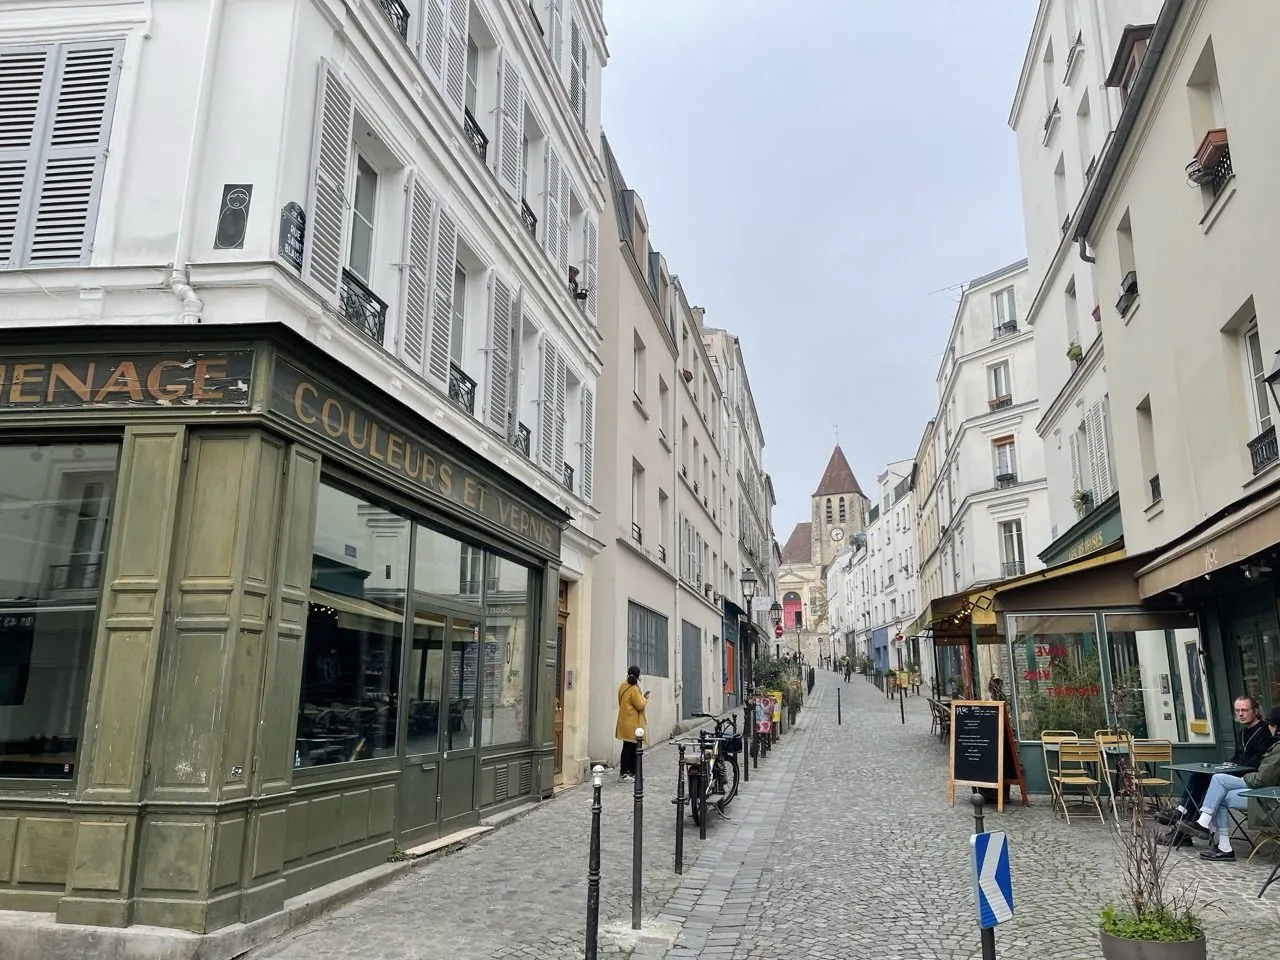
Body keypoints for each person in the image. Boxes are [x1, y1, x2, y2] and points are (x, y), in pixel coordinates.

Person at [1157, 695, 1273, 845]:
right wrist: (1228, 764)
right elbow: (1238, 756)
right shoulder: (1243, 732)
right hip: (1239, 772)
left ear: (1255, 711)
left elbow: (1257, 760)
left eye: (1244, 710)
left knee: (1212, 784)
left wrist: (1233, 767)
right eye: (1237, 711)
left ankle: (1182, 829)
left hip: (1251, 777)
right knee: (1199, 776)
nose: (1241, 714)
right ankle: (1181, 812)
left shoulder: (1264, 730)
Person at [1174, 706, 1280, 861]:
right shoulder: (1271, 743)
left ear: (1275, 726)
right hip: (1267, 793)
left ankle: (1203, 822)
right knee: (1220, 796)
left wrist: (1248, 775)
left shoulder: (1278, 748)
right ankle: (1224, 847)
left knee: (1219, 779)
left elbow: (1262, 779)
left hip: (1271, 799)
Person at [615, 666, 648, 782]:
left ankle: (633, 772)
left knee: (630, 748)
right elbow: (640, 705)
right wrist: (644, 698)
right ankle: (625, 773)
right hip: (632, 723)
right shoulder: (634, 689)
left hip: (624, 721)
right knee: (630, 749)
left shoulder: (622, 686)